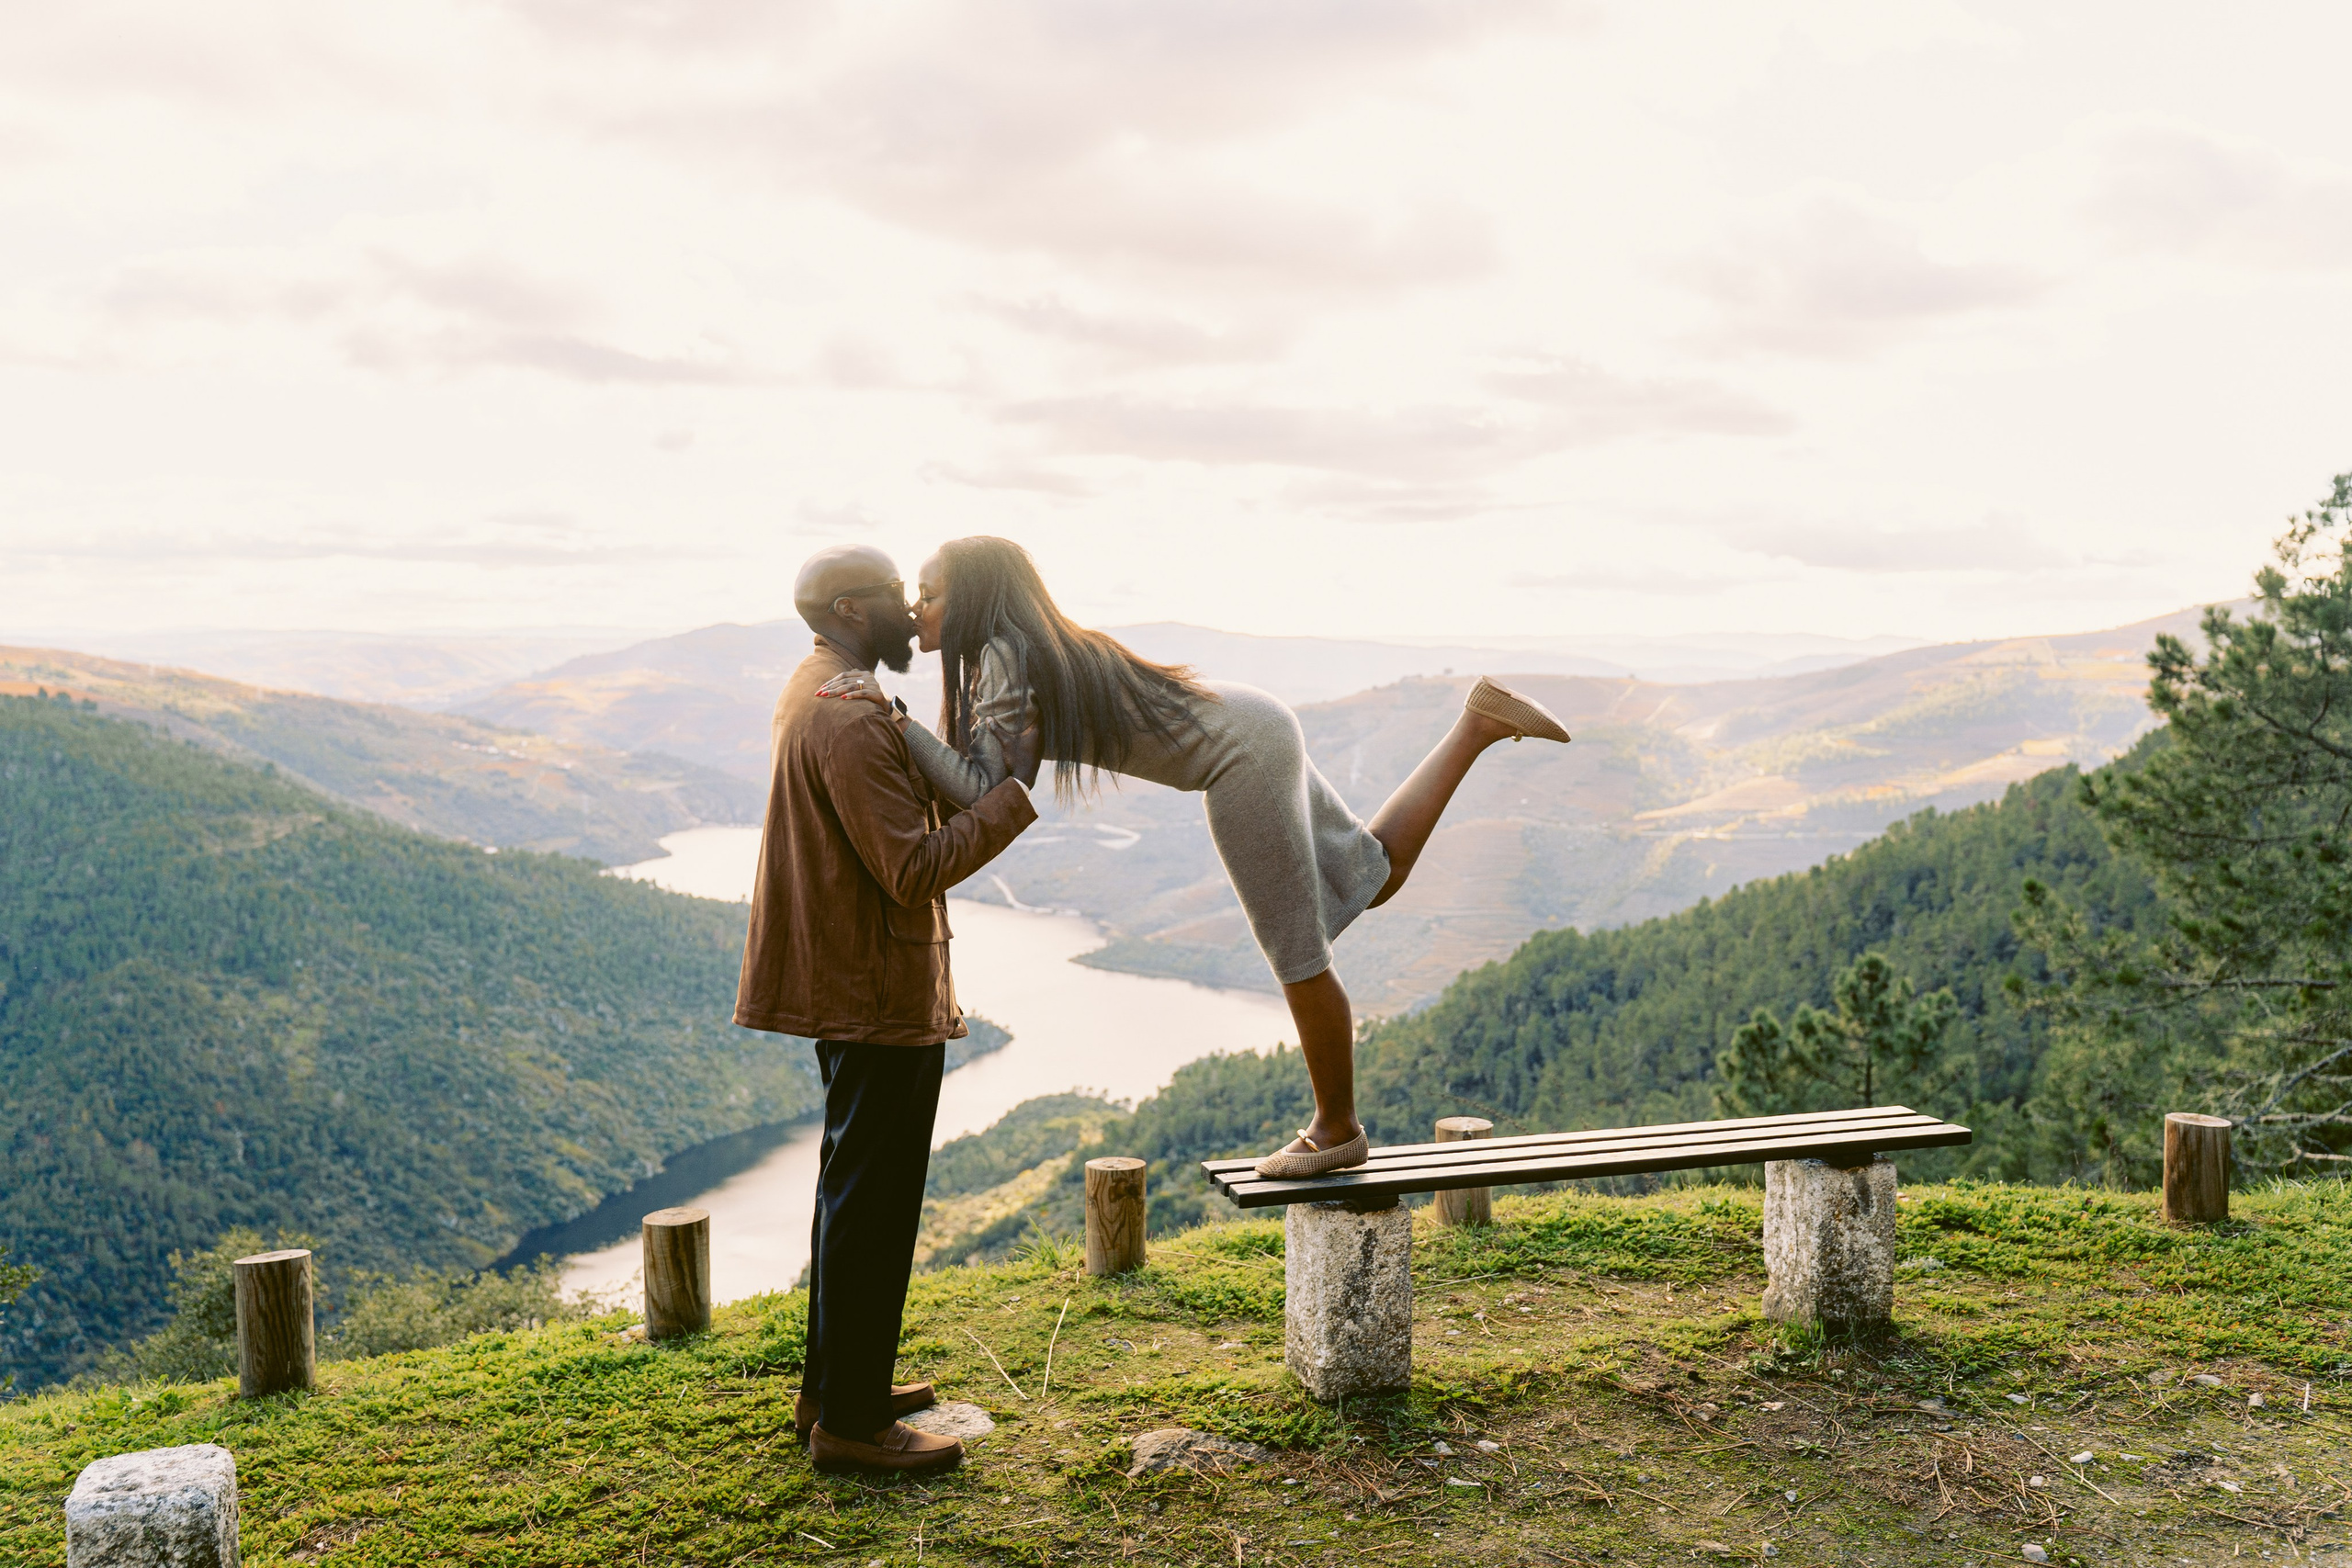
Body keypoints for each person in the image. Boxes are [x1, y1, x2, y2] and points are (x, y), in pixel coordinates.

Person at [816, 536, 1569, 1180]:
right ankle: (1475, 722)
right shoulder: (1011, 652)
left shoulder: (1007, 658)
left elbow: (988, 786)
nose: (917, 607)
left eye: (930, 592)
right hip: (1251, 719)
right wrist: (903, 727)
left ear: (975, 598)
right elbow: (979, 784)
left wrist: (893, 716)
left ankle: (1338, 1130)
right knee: (1371, 876)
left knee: (1296, 952)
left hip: (1238, 751)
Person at [735, 543, 1039, 1476]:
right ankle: (854, 1425)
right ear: (849, 607)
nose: (914, 615)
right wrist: (1008, 802)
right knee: (874, 1205)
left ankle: (837, 1388)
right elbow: (908, 868)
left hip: (851, 987)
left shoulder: (818, 689)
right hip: (876, 993)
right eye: (898, 600)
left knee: (849, 1193)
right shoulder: (855, 716)